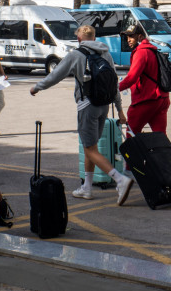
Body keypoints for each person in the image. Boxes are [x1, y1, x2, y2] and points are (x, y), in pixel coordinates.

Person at [30, 25, 134, 205]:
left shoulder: (75, 55)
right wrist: (119, 110)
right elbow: (114, 83)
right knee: (91, 147)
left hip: (87, 106)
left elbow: (55, 75)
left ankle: (120, 179)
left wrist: (36, 87)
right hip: (104, 105)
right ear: (94, 38)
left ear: (79, 39)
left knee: (89, 149)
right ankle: (87, 188)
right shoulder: (106, 54)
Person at [116, 23, 170, 134]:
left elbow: (131, 77)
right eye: (127, 37)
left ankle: (133, 152)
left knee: (132, 135)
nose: (128, 40)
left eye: (131, 36)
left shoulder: (141, 52)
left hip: (145, 100)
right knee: (160, 138)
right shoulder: (152, 50)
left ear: (140, 37)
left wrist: (115, 89)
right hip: (161, 99)